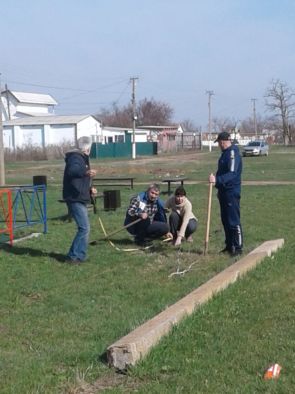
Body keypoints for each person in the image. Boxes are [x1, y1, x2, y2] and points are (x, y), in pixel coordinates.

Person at [62, 136, 97, 264]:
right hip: (74, 197)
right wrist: (86, 172)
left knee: (85, 228)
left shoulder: (82, 157)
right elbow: (73, 171)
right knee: (84, 228)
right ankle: (72, 257)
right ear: (87, 148)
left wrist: (89, 190)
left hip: (79, 195)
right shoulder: (75, 157)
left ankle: (79, 256)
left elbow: (79, 180)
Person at [209, 131, 243, 256]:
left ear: (223, 141)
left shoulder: (233, 153)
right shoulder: (224, 154)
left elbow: (232, 173)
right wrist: (217, 184)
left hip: (231, 191)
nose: (218, 145)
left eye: (219, 142)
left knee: (233, 220)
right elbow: (221, 172)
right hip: (223, 191)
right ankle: (229, 246)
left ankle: (238, 247)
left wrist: (217, 180)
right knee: (225, 220)